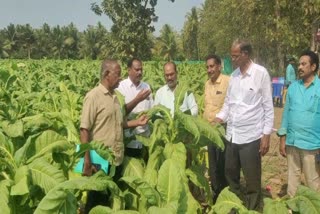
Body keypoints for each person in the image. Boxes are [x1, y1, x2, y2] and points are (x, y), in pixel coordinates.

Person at [80, 59, 148, 213]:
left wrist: (137, 122)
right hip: (99, 159)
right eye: (117, 74)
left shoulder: (116, 96)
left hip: (116, 157)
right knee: (96, 199)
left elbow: (119, 123)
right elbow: (84, 130)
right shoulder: (93, 96)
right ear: (106, 74)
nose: (120, 78)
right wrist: (87, 160)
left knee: (110, 198)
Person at [215, 39, 274, 210]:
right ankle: (234, 208)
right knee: (231, 176)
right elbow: (228, 104)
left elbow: (268, 106)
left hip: (251, 137)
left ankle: (253, 209)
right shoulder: (233, 77)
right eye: (231, 56)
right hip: (232, 136)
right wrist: (219, 118)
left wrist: (266, 135)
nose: (232, 59)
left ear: (245, 54)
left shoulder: (260, 74)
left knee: (252, 180)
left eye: (235, 56)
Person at [278, 50, 320, 197]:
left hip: (312, 145)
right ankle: (292, 209)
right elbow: (286, 113)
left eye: (304, 64)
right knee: (293, 181)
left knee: (313, 183)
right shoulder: (293, 88)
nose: (300, 67)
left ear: (313, 67)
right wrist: (282, 138)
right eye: (299, 64)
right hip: (293, 142)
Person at [203, 54, 230, 202]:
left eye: (212, 66)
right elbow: (206, 107)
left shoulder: (228, 81)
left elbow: (231, 106)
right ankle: (215, 193)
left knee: (223, 164)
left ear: (219, 66)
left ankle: (226, 194)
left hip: (222, 130)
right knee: (212, 164)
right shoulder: (207, 84)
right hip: (209, 130)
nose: (209, 69)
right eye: (207, 67)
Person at [117, 57, 153, 157]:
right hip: (128, 142)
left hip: (145, 140)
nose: (140, 72)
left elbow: (152, 109)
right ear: (129, 70)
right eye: (137, 69)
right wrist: (137, 99)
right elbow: (120, 113)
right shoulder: (120, 87)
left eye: (141, 69)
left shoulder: (146, 87)